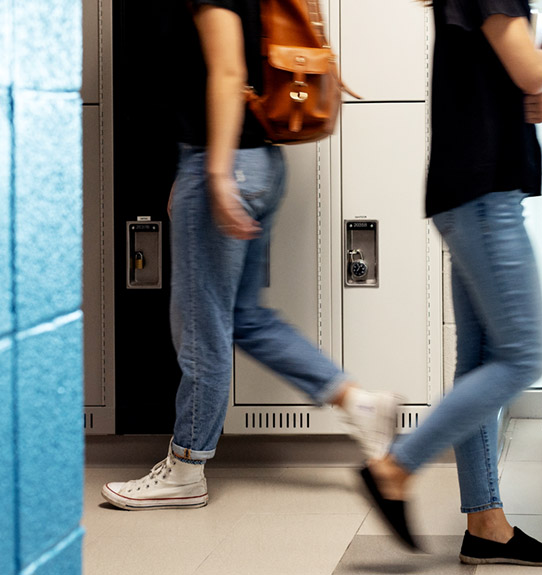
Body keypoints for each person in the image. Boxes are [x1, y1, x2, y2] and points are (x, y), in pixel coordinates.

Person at [101, 0, 399, 511]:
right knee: (245, 318)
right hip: (257, 160)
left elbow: (229, 68)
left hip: (229, 163)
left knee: (201, 325)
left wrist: (213, 173)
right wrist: (196, 171)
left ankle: (187, 467)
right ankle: (358, 403)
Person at [360, 0, 542, 566]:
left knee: (480, 363)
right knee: (525, 356)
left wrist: (541, 95)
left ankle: (486, 523)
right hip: (483, 198)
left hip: (473, 193)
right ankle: (395, 467)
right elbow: (527, 71)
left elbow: (520, 91)